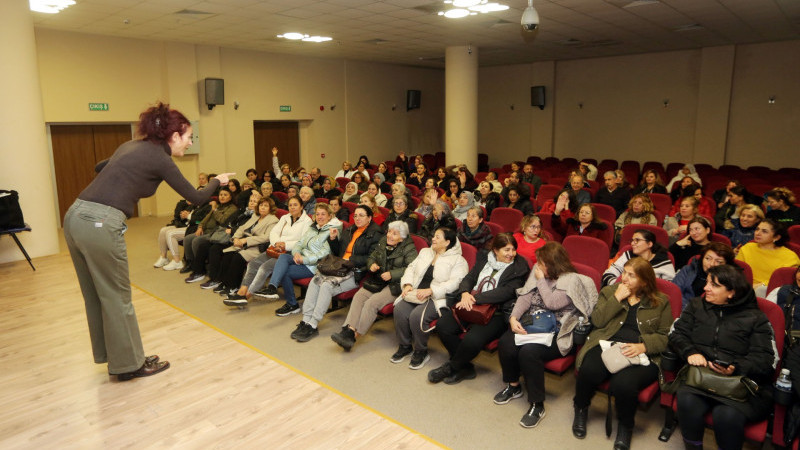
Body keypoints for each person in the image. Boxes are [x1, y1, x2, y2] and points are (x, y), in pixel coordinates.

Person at [63, 102, 232, 381]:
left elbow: (99, 166)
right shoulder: (160, 157)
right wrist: (218, 181)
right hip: (101, 222)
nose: (190, 143)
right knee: (117, 296)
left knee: (97, 294)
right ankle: (129, 364)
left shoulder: (132, 146)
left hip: (75, 216)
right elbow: (198, 198)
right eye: (189, 137)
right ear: (174, 136)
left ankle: (119, 358)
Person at [670, 264, 778, 450]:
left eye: (714, 285)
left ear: (731, 292)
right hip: (701, 376)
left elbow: (764, 359)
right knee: (686, 402)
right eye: (707, 283)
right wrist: (690, 351)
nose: (706, 288)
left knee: (726, 416)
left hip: (740, 382)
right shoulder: (697, 306)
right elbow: (677, 335)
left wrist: (736, 367)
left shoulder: (755, 318)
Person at [494, 242, 598, 428]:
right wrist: (513, 318)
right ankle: (513, 386)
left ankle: (537, 404)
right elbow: (525, 297)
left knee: (529, 352)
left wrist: (541, 280)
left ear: (554, 264)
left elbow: (551, 303)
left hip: (558, 331)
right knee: (506, 342)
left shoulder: (571, 280)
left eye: (542, 263)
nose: (538, 266)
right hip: (534, 322)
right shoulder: (539, 271)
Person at [572, 257, 672, 449]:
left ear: (644, 281)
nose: (623, 278)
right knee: (589, 370)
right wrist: (616, 299)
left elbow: (666, 336)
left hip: (640, 352)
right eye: (624, 272)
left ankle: (626, 427)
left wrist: (644, 346)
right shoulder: (610, 291)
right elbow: (598, 321)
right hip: (606, 343)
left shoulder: (661, 302)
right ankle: (581, 407)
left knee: (624, 385)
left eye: (631, 275)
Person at [428, 234, 531, 384]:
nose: (511, 254)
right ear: (495, 250)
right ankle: (465, 367)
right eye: (506, 250)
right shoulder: (485, 259)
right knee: (443, 326)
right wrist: (464, 293)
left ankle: (451, 367)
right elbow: (470, 278)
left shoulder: (519, 266)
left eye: (513, 250)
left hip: (496, 312)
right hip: (470, 304)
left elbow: (507, 291)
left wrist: (475, 298)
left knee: (472, 340)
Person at [291, 205, 382, 342]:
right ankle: (305, 319)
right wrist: (333, 240)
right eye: (355, 215)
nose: (357, 218)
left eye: (361, 215)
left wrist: (349, 259)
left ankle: (313, 323)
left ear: (369, 217)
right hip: (338, 266)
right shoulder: (350, 229)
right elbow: (338, 252)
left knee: (326, 285)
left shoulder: (376, 234)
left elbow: (372, 258)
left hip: (355, 271)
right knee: (316, 280)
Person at [331, 220, 417, 351]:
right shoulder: (383, 241)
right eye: (389, 232)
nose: (389, 235)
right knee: (359, 296)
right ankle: (349, 329)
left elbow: (412, 269)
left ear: (402, 237)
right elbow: (372, 257)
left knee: (372, 303)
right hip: (379, 279)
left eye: (394, 234)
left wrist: (393, 274)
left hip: (396, 284)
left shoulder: (409, 248)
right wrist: (372, 264)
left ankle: (354, 336)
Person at [390, 228, 468, 369]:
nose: (433, 239)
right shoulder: (425, 252)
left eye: (437, 237)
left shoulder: (458, 260)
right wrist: (407, 284)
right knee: (399, 310)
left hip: (437, 298)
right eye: (434, 236)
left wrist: (432, 291)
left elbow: (455, 283)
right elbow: (411, 268)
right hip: (416, 292)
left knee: (416, 316)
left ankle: (421, 351)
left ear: (447, 242)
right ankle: (405, 346)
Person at [223, 196, 312, 306]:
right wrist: (276, 244)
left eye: (295, 205)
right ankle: (241, 291)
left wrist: (285, 245)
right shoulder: (285, 217)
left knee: (264, 267)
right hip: (275, 249)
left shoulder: (307, 222)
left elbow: (303, 241)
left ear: (301, 207)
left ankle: (246, 296)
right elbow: (273, 233)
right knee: (253, 264)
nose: (292, 207)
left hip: (290, 253)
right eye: (290, 205)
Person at [260, 203, 343, 316]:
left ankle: (292, 304)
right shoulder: (313, 228)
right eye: (317, 214)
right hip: (302, 258)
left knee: (285, 272)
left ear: (330, 216)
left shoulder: (332, 231)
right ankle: (272, 287)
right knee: (284, 256)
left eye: (323, 214)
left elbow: (324, 254)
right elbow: (300, 243)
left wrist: (304, 259)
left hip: (314, 265)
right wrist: (297, 253)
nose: (319, 217)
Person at [206, 197, 278, 294]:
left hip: (257, 247)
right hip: (243, 243)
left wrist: (245, 240)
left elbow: (266, 238)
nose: (263, 208)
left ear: (270, 208)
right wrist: (235, 238)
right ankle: (224, 283)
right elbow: (242, 228)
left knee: (237, 258)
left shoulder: (273, 220)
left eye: (266, 206)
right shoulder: (255, 216)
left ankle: (233, 286)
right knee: (228, 255)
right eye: (261, 205)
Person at [183, 187, 239, 283]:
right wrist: (200, 226)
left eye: (225, 195)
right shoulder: (219, 206)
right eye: (221, 195)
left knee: (197, 241)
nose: (222, 197)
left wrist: (214, 209)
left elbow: (222, 220)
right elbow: (206, 218)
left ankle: (202, 265)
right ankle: (192, 263)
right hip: (206, 230)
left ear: (230, 197)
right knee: (188, 239)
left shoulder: (232, 208)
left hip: (216, 232)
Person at [736, 219, 800, 296]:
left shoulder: (790, 257)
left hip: (770, 291)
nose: (758, 233)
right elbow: (736, 272)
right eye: (757, 229)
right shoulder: (747, 248)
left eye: (764, 231)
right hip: (743, 287)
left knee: (761, 290)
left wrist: (760, 285)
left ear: (776, 237)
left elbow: (785, 282)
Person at [672, 241, 736, 309]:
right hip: (682, 309)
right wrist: (689, 310)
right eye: (708, 259)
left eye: (718, 261)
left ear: (726, 265)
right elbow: (674, 292)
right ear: (702, 258)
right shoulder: (689, 270)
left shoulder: (731, 280)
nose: (711, 264)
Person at [602, 229, 675, 286]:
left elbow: (669, 287)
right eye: (632, 240)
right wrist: (617, 286)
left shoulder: (663, 262)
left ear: (649, 244)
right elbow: (608, 273)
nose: (632, 243)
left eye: (637, 240)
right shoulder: (628, 256)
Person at [153, 197, 196, 271]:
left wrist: (188, 216)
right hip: (186, 225)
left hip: (193, 228)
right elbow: (178, 217)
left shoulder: (204, 206)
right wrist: (184, 215)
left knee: (170, 234)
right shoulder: (191, 205)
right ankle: (164, 257)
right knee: (163, 230)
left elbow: (198, 221)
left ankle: (177, 261)